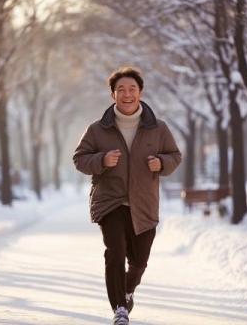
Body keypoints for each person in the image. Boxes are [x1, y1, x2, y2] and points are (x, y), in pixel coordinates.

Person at [73, 66, 181, 325]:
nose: (127, 94)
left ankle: (128, 288)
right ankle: (120, 308)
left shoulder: (159, 128)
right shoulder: (98, 129)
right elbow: (79, 158)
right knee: (115, 251)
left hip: (144, 204)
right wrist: (101, 159)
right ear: (113, 95)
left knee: (139, 261)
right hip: (110, 201)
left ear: (140, 92)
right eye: (121, 89)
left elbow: (175, 156)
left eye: (132, 89)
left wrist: (162, 164)